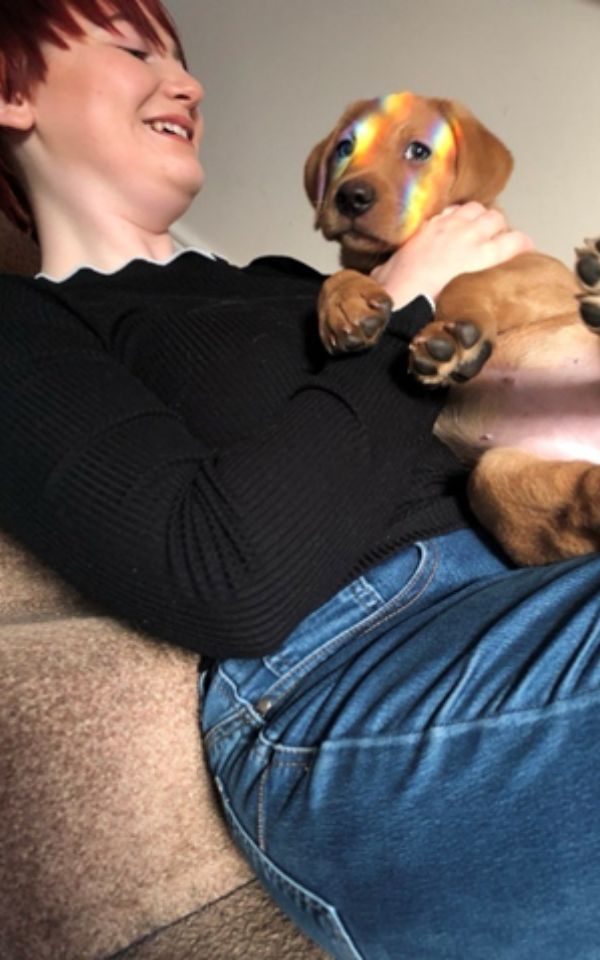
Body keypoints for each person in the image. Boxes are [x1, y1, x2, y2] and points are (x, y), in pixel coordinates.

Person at [0, 2, 598, 958]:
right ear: (11, 91)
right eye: (133, 47)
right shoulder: (32, 325)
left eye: (183, 60)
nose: (190, 83)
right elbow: (224, 576)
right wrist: (414, 301)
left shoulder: (299, 279)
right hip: (345, 674)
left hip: (534, 570)